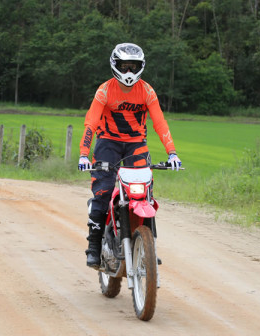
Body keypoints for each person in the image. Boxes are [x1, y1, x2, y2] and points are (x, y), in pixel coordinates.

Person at [78, 42, 182, 269]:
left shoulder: (147, 91)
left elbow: (160, 122)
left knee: (144, 193)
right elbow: (91, 122)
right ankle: (94, 247)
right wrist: (84, 154)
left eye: (133, 67)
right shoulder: (105, 90)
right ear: (115, 66)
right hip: (108, 143)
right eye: (124, 67)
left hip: (136, 145)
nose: (128, 73)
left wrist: (172, 152)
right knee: (103, 192)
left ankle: (148, 244)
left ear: (141, 67)